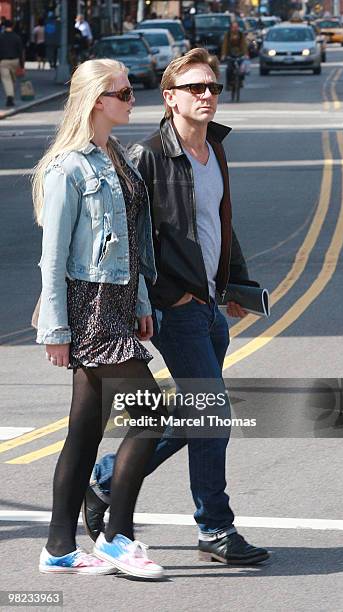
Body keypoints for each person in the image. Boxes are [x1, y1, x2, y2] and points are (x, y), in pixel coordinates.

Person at [83, 48, 270, 566]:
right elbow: (129, 241)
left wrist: (235, 286)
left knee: (196, 415)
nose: (207, 95)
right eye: (194, 88)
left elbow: (220, 225)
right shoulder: (146, 158)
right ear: (170, 99)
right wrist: (163, 297)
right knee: (214, 415)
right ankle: (215, 527)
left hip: (211, 303)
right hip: (177, 309)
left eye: (210, 86)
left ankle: (104, 479)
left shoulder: (216, 150)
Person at [32, 58, 166, 579]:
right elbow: (53, 255)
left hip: (116, 301)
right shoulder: (69, 166)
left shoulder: (118, 159)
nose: (133, 100)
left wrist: (139, 303)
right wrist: (56, 330)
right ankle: (117, 537)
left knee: (85, 430)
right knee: (154, 413)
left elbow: (130, 243)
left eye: (131, 92)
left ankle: (59, 546)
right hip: (87, 307)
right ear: (96, 102)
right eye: (124, 94)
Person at [0, 19, 24, 107]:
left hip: (3, 62)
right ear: (12, 26)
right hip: (15, 61)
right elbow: (20, 51)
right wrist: (22, 65)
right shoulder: (17, 37)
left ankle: (9, 97)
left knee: (6, 80)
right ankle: (11, 96)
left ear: (4, 26)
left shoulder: (1, 37)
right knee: (13, 79)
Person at [221, 22, 249, 90]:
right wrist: (223, 55)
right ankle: (228, 84)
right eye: (233, 27)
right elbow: (224, 45)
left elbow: (244, 45)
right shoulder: (227, 34)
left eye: (236, 27)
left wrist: (246, 54)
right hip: (230, 54)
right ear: (231, 28)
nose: (235, 28)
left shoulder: (241, 34)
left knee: (242, 69)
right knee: (229, 69)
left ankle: (241, 81)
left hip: (239, 54)